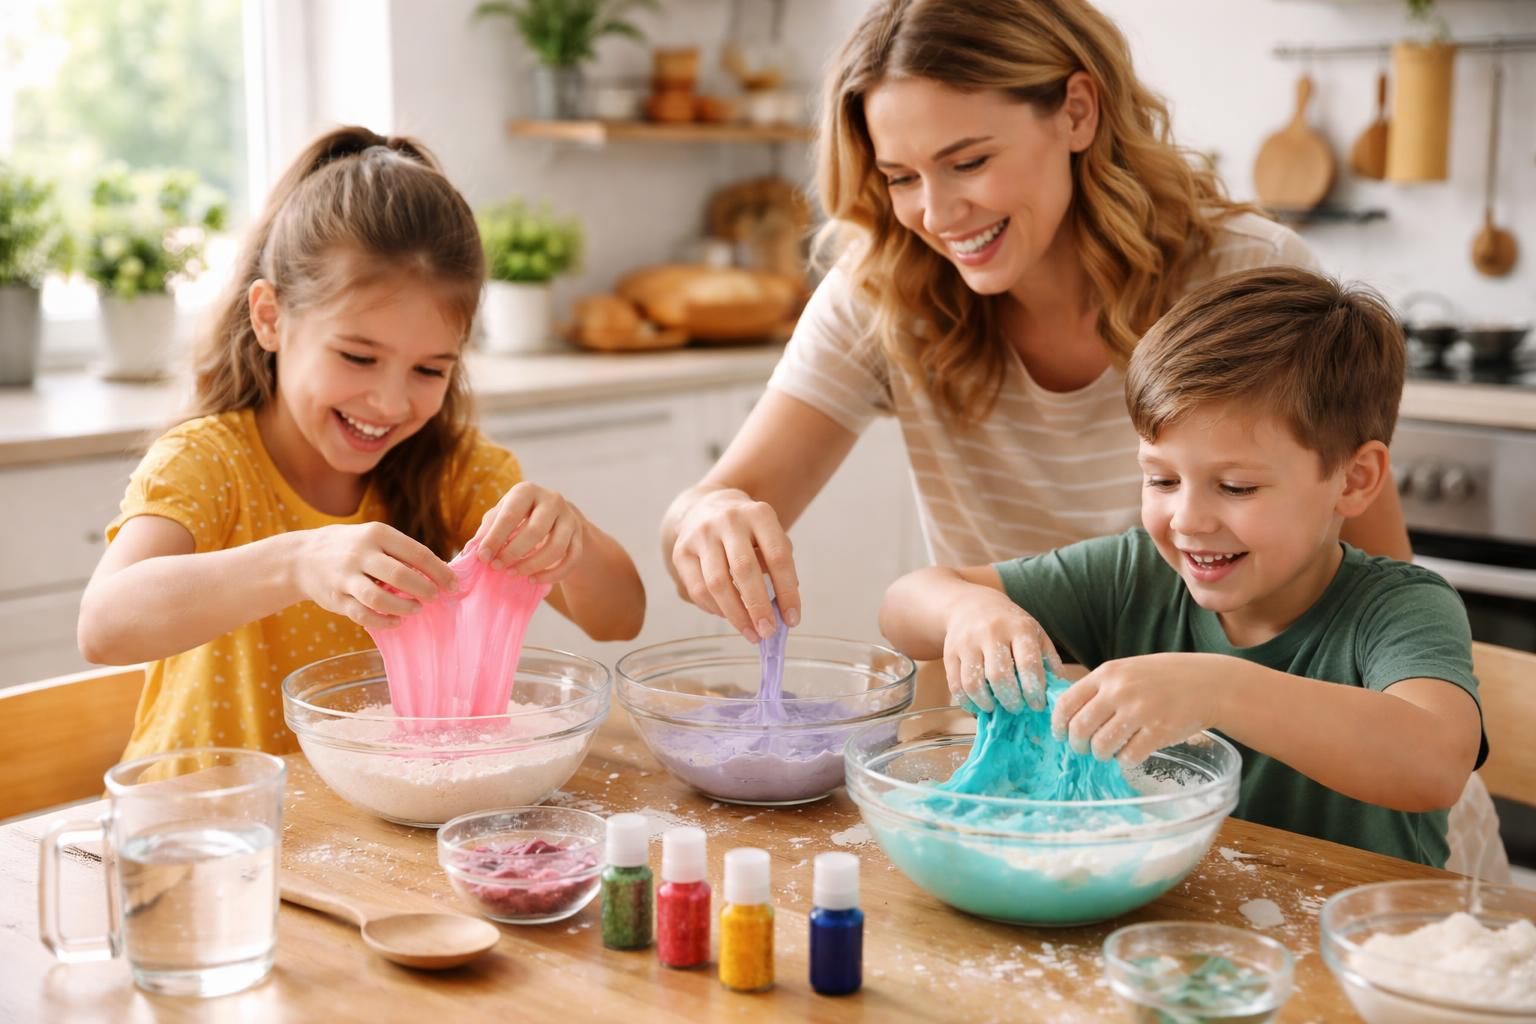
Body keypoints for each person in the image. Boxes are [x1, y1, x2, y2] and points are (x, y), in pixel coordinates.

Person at [661, 0, 1408, 650]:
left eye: (970, 160)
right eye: (900, 178)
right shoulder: (884, 294)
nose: (937, 212)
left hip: (1264, 774)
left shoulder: (1246, 275)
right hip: (1046, 772)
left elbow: (1386, 595)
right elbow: (709, 507)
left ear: (1078, 111)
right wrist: (710, 516)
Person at [878, 267, 1485, 867]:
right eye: (1161, 479)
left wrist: (1218, 688)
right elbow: (905, 606)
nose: (1188, 519)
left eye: (1237, 486)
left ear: (1353, 481)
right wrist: (970, 610)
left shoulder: (1401, 607)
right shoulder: (1134, 574)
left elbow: (1434, 765)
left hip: (1358, 948)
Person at [77, 127, 645, 759]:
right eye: (357, 356)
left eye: (430, 370)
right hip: (206, 832)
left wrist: (574, 539)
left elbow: (618, 618)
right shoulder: (208, 462)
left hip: (361, 836)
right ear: (270, 317)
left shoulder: (451, 468)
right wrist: (299, 562)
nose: (392, 403)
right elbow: (105, 625)